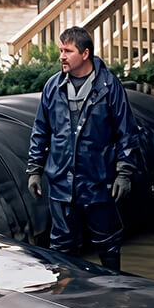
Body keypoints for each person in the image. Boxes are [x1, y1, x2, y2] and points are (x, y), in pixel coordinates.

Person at [26, 26, 141, 271]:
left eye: (67, 51)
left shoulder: (110, 87)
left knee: (108, 242)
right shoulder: (53, 87)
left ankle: (114, 293)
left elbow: (126, 132)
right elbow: (41, 130)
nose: (61, 56)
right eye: (61, 50)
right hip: (61, 183)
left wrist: (124, 174)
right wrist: (34, 169)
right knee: (61, 244)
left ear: (85, 53)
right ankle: (67, 295)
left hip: (99, 181)